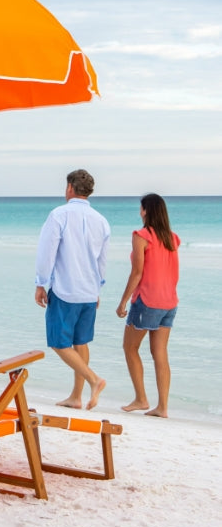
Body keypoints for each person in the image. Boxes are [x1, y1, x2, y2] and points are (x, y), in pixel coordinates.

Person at [35, 169, 109, 410]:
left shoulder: (59, 215)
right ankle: (76, 397)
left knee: (58, 342)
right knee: (80, 342)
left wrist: (40, 283)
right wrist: (98, 288)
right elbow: (102, 260)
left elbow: (47, 251)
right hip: (89, 291)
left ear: (69, 187)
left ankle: (93, 380)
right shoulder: (101, 220)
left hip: (66, 290)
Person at [116, 193, 180, 418]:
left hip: (148, 301)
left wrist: (123, 300)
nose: (139, 211)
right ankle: (162, 407)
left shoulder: (141, 236)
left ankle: (141, 399)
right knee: (160, 352)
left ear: (145, 211)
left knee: (129, 347)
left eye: (140, 208)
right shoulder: (172, 238)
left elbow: (137, 272)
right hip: (170, 302)